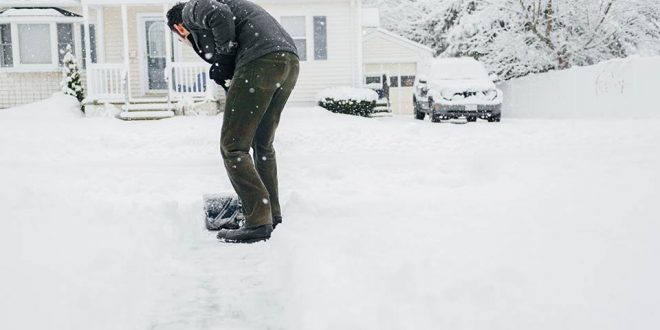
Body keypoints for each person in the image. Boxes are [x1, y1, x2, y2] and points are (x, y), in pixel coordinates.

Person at [166, 0, 300, 243]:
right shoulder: (234, 10)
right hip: (287, 61)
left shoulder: (190, 10)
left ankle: (258, 220)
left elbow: (218, 14)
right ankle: (271, 214)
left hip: (260, 61)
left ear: (180, 28)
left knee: (233, 146)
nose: (183, 42)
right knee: (263, 143)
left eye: (179, 38)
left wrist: (223, 60)